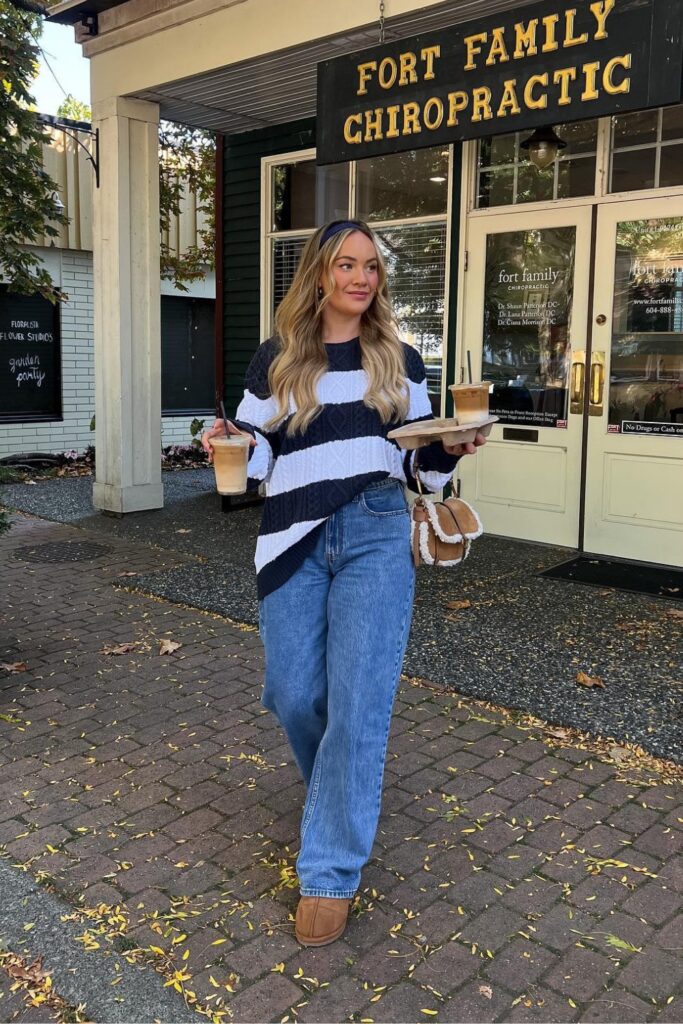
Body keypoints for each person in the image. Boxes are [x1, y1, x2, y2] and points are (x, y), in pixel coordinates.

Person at [202, 219, 486, 947]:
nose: (360, 278)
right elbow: (255, 458)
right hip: (291, 537)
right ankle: (339, 790)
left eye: (371, 266)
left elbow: (419, 464)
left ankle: (329, 869)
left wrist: (453, 448)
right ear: (320, 273)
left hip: (375, 532)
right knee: (293, 692)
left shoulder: (400, 359)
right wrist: (227, 443)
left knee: (358, 704)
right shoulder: (276, 358)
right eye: (346, 264)